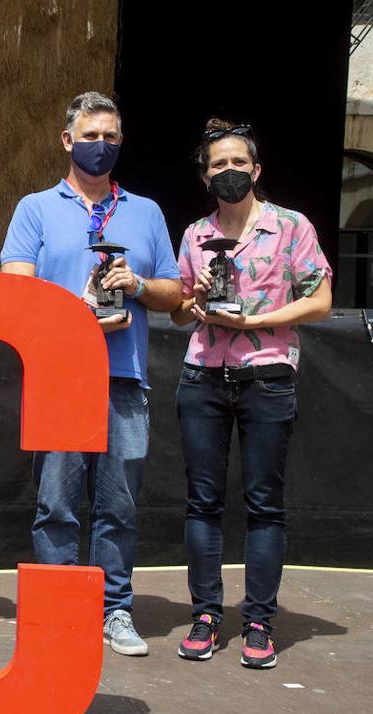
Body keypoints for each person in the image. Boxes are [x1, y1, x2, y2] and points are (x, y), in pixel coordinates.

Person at [0, 92, 181, 656]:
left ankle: (115, 610)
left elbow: (175, 294)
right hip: (58, 374)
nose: (99, 146)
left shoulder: (146, 212)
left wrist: (138, 286)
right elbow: (15, 288)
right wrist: (71, 312)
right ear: (66, 140)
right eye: (90, 135)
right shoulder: (35, 207)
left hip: (123, 377)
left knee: (120, 503)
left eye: (110, 137)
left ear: (120, 144)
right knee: (56, 501)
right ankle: (57, 611)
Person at [170, 120, 331, 669]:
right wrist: (190, 307)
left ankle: (259, 620)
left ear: (257, 170)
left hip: (267, 376)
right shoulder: (195, 234)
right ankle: (206, 615)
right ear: (205, 177)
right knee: (202, 503)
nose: (229, 171)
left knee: (264, 505)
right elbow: (181, 303)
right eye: (219, 165)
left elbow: (321, 300)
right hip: (203, 376)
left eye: (239, 162)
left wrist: (255, 322)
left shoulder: (291, 227)